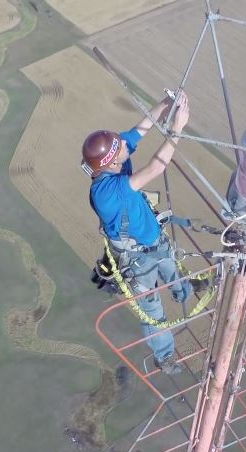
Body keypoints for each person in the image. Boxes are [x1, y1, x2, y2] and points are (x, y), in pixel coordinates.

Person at [81, 91, 192, 375]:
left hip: (153, 241)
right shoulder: (107, 192)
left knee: (173, 274)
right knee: (153, 312)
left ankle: (185, 292)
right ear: (111, 162)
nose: (126, 145)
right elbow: (156, 167)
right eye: (121, 148)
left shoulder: (114, 161)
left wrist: (167, 105)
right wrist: (177, 130)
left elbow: (139, 129)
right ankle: (165, 355)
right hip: (136, 261)